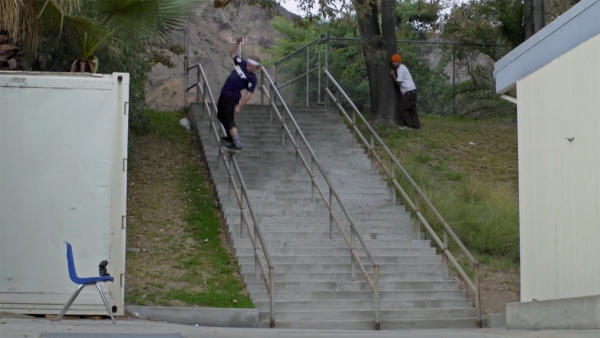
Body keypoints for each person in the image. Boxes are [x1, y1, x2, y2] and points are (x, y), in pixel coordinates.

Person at [217, 37, 261, 152]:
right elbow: (232, 54)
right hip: (224, 94)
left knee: (229, 119)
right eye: (249, 64)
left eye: (252, 67)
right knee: (220, 116)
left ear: (256, 68)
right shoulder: (242, 63)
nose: (249, 67)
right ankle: (230, 138)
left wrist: (239, 106)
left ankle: (237, 143)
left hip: (232, 98)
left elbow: (249, 94)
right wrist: (237, 42)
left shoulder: (252, 78)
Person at [390, 53, 420, 130]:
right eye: (393, 62)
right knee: (412, 109)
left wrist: (393, 75)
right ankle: (416, 126)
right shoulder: (402, 68)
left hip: (408, 91)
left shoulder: (401, 69)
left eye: (395, 61)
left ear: (399, 62)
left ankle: (408, 125)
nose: (394, 63)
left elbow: (399, 82)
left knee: (403, 107)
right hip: (412, 91)